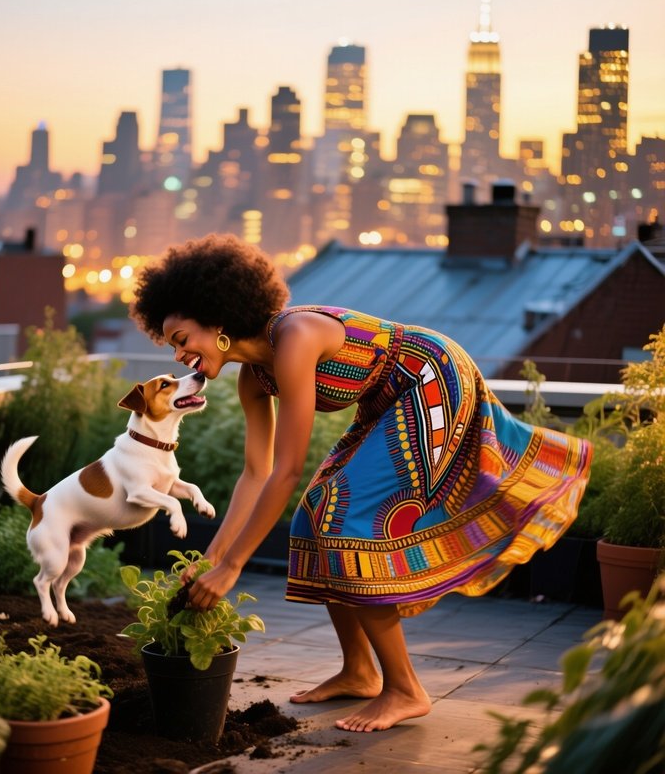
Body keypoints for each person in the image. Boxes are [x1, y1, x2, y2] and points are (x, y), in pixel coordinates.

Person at [132, 233, 593, 733]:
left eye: (182, 340)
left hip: (430, 378)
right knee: (312, 517)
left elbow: (287, 470)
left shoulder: (294, 337)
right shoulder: (254, 379)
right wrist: (212, 560)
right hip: (385, 400)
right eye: (172, 345)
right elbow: (257, 473)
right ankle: (359, 671)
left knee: (343, 515)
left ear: (217, 320)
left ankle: (405, 688)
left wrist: (234, 566)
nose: (179, 354)